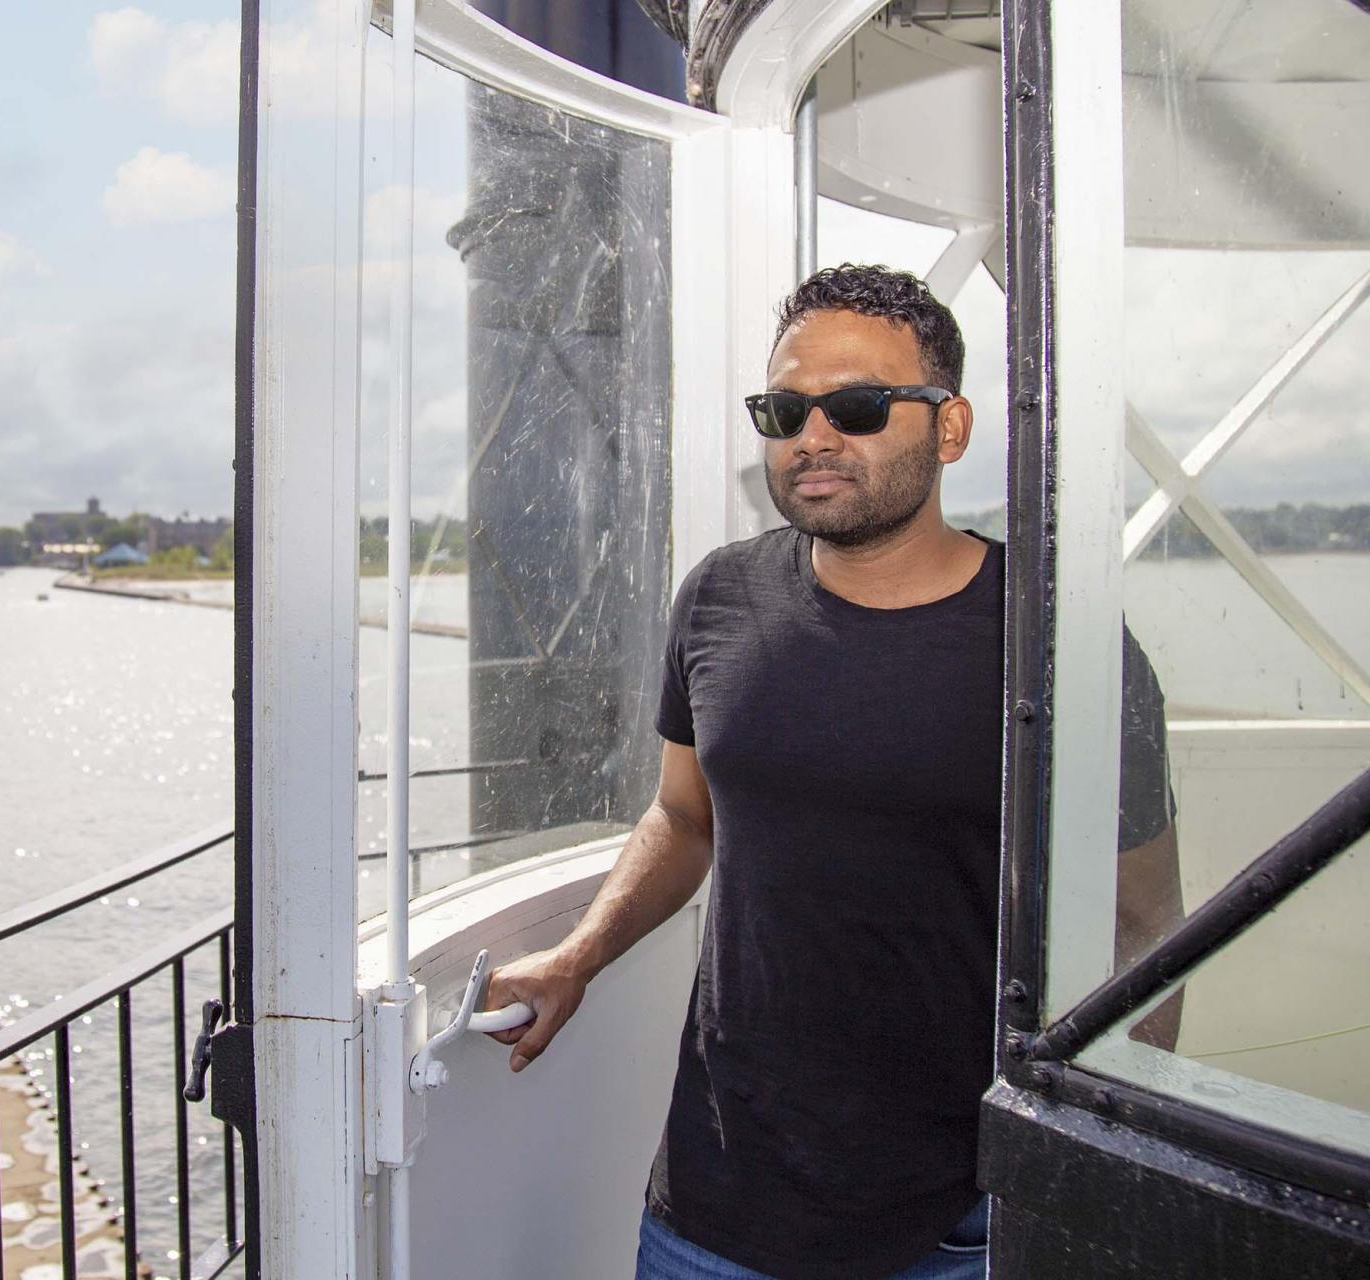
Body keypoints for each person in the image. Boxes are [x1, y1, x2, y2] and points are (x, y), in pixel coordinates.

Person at [484, 264, 1181, 1280]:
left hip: (962, 1223)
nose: (814, 434)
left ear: (950, 428)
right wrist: (577, 955)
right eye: (786, 407)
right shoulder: (720, 598)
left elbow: (1145, 923)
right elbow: (684, 816)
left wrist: (1110, 1168)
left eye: (856, 405)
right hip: (715, 1207)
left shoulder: (1060, 645)